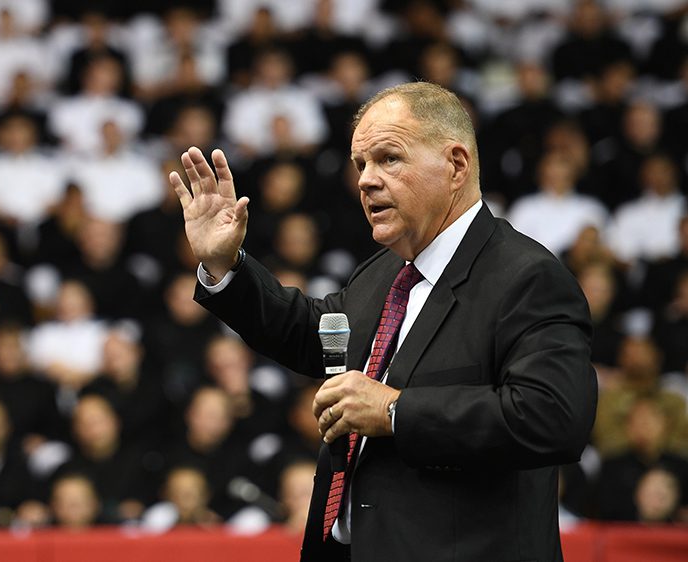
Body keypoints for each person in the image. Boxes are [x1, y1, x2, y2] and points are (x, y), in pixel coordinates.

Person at [170, 81, 597, 561]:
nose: (366, 180)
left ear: (456, 165)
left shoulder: (527, 277)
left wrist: (396, 411)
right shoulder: (383, 271)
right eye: (360, 165)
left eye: (388, 158)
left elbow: (554, 418)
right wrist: (226, 265)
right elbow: (311, 334)